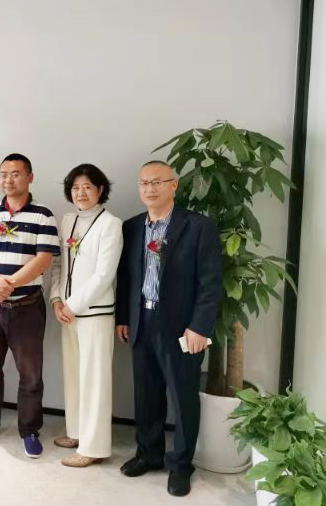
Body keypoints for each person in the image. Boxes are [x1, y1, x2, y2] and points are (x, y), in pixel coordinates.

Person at [116, 160, 221, 497]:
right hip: (141, 321)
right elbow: (127, 277)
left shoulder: (198, 226)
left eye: (157, 182)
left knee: (183, 397)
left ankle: (181, 466)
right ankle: (149, 454)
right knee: (146, 394)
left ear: (174, 185)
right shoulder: (132, 227)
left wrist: (199, 327)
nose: (150, 188)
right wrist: (123, 317)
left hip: (181, 328)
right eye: (144, 183)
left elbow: (210, 283)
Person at [0, 153, 59, 459]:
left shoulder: (43, 216)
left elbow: (43, 259)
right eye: (4, 174)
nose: (9, 179)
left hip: (26, 307)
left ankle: (29, 430)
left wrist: (9, 285)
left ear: (29, 177)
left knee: (30, 373)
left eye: (16, 173)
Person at [48, 164, 123, 467]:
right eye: (75, 187)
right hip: (67, 312)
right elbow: (58, 264)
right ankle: (77, 433)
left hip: (94, 314)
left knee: (94, 381)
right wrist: (56, 299)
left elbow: (104, 275)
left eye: (87, 187)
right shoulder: (67, 221)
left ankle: (93, 447)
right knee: (74, 376)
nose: (81, 193)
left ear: (100, 190)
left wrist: (73, 305)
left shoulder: (111, 224)